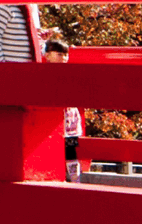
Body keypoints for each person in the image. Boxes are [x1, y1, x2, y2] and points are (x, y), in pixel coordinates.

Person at [45, 39, 84, 182]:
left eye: (66, 55)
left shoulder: (70, 73)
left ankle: (75, 180)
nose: (64, 58)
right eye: (60, 54)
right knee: (51, 150)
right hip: (52, 119)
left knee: (71, 151)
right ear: (47, 55)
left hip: (69, 119)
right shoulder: (43, 73)